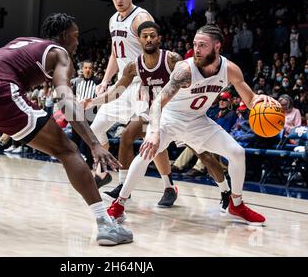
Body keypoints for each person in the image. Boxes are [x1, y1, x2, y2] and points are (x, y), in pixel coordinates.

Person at [0, 13, 133, 246]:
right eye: (76, 36)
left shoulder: (22, 42)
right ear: (63, 36)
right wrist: (93, 143)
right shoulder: (60, 54)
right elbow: (65, 100)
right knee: (68, 150)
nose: (78, 42)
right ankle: (104, 224)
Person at [107, 25, 281, 225]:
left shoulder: (230, 70)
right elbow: (157, 104)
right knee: (147, 151)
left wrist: (260, 99)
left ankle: (236, 204)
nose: (196, 49)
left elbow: (250, 100)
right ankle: (119, 205)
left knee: (238, 153)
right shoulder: (185, 70)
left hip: (198, 120)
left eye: (203, 45)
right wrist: (153, 133)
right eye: (195, 44)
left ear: (217, 47)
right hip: (171, 118)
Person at [85, 21, 229, 208]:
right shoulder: (133, 66)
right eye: (145, 36)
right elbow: (116, 91)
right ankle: (124, 187)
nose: (149, 39)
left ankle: (225, 191)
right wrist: (92, 102)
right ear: (139, 40)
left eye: (152, 35)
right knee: (129, 135)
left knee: (204, 155)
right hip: (154, 113)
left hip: (180, 113)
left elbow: (196, 78)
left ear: (159, 39)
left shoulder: (172, 59)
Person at [90, 0, 155, 199]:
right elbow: (114, 53)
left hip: (142, 85)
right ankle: (105, 169)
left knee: (151, 138)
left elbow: (153, 53)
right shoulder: (112, 19)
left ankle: (156, 184)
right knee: (96, 129)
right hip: (121, 85)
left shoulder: (141, 17)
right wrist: (106, 80)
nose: (118, 0)